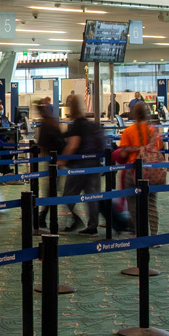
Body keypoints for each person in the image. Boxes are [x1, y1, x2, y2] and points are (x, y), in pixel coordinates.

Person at [60, 94, 106, 235]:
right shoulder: (92, 125)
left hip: (80, 165)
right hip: (95, 163)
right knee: (92, 196)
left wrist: (62, 160)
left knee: (68, 194)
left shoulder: (77, 125)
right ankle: (92, 227)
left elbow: (73, 145)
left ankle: (76, 221)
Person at [115, 101, 163, 235]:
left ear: (134, 114)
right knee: (152, 204)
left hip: (133, 170)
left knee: (133, 203)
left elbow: (123, 152)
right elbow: (159, 148)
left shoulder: (129, 131)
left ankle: (139, 232)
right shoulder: (154, 130)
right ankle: (154, 235)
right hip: (152, 170)